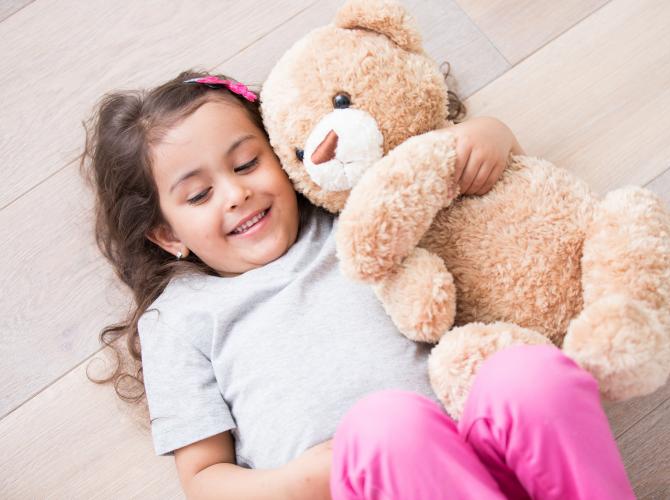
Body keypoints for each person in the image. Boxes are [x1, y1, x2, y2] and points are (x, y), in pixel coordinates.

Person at [80, 69, 635, 499]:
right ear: (165, 234)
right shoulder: (178, 319)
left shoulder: (348, 211)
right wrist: (307, 478)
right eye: (199, 195)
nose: (235, 194)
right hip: (352, 484)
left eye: (248, 163)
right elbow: (203, 479)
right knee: (386, 427)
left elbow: (436, 164)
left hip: (481, 455)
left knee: (527, 373)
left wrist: (488, 136)